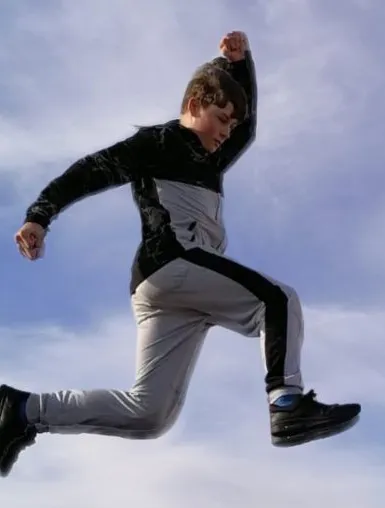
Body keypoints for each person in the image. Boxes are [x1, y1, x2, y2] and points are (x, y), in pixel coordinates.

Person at [0, 31, 360, 478]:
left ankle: (20, 410)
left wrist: (238, 63)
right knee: (277, 301)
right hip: (171, 264)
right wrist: (40, 215)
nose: (226, 132)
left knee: (150, 413)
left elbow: (248, 127)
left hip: (170, 293)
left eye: (230, 124)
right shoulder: (157, 143)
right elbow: (91, 170)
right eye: (219, 119)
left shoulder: (211, 159)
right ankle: (286, 402)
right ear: (193, 105)